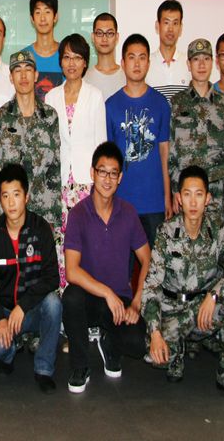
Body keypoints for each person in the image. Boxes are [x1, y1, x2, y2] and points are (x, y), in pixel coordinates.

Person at [142, 166, 224, 400]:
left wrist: (214, 294)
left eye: (199, 194)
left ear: (207, 198)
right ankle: (178, 349)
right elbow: (151, 287)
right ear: (179, 199)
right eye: (187, 194)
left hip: (203, 311)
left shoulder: (217, 229)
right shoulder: (166, 232)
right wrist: (155, 333)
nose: (193, 202)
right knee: (156, 358)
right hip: (173, 312)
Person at [62, 142, 150, 393]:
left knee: (137, 344)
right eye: (102, 172)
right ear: (92, 173)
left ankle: (109, 344)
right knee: (71, 297)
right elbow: (72, 271)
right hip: (90, 299)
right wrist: (106, 293)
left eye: (113, 173)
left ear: (120, 177)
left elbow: (147, 259)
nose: (107, 179)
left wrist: (136, 301)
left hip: (120, 302)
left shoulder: (128, 213)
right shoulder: (78, 214)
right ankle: (80, 366)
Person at [0, 164, 61, 393]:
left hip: (33, 309)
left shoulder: (40, 228)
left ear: (26, 197)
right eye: (5, 196)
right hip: (7, 311)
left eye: (16, 195)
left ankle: (44, 369)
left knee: (54, 303)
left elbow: (52, 277)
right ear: (0, 200)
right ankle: (9, 353)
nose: (11, 202)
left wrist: (23, 306)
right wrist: (0, 317)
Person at [45, 34, 106, 288]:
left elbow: (101, 145)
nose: (71, 63)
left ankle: (87, 300)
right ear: (60, 62)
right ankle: (62, 299)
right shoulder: (51, 97)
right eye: (67, 57)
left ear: (85, 62)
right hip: (59, 184)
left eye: (77, 57)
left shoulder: (95, 95)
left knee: (87, 242)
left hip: (85, 184)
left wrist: (100, 186)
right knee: (60, 243)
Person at [105, 34, 172, 248]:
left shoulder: (161, 103)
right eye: (131, 57)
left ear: (148, 63)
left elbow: (165, 153)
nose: (137, 63)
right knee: (121, 264)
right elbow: (108, 161)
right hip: (121, 201)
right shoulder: (111, 105)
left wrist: (167, 196)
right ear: (123, 63)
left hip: (154, 202)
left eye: (142, 57)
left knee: (155, 263)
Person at [0, 50, 61, 232]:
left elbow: (55, 169)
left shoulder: (50, 116)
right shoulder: (1, 118)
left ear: (36, 75)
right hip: (10, 215)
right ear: (11, 77)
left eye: (28, 69)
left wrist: (53, 217)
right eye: (17, 70)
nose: (23, 75)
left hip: (42, 213)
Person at [168, 38, 224, 224]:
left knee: (216, 240)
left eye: (206, 58)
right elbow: (171, 152)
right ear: (188, 65)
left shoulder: (222, 103)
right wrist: (175, 190)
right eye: (196, 59)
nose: (202, 64)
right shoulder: (177, 103)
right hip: (186, 195)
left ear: (213, 63)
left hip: (216, 193)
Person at [146, 0, 190, 101]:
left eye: (175, 23)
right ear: (157, 26)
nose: (170, 29)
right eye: (166, 23)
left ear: (180, 28)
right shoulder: (146, 63)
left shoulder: (189, 63)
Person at [25, 0, 63, 100]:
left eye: (47, 11)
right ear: (32, 18)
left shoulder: (66, 55)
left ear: (55, 17)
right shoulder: (24, 56)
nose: (42, 18)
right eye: (38, 12)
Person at [84, 12, 126, 102]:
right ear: (93, 37)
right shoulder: (84, 78)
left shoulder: (127, 76)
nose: (104, 39)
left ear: (117, 37)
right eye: (99, 33)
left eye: (109, 33)